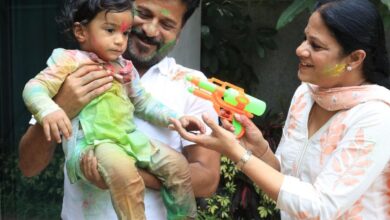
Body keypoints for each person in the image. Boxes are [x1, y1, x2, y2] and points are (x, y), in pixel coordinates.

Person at [170, 0, 390, 219]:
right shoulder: (305, 95)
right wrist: (259, 149)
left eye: (316, 46)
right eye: (305, 38)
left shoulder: (376, 117)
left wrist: (236, 154)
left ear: (355, 58)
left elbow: (321, 208)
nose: (300, 50)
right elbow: (286, 182)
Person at [19, 0, 220, 219]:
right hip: (98, 143)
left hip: (130, 141)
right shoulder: (71, 68)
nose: (150, 30)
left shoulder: (191, 85)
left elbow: (208, 179)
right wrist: (61, 106)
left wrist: (175, 119)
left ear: (179, 33)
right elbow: (29, 166)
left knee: (174, 165)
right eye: (143, 14)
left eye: (167, 24)